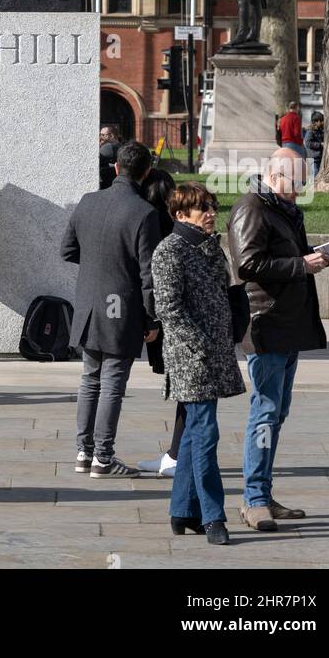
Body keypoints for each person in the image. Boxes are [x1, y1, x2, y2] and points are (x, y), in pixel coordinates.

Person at [228, 147, 329, 532]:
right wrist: (300, 265)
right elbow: (246, 264)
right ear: (274, 176)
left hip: (288, 325)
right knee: (265, 412)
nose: (299, 190)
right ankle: (253, 499)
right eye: (295, 183)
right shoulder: (252, 208)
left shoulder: (284, 209)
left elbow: (288, 259)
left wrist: (315, 258)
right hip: (266, 325)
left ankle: (263, 493)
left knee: (276, 414)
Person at [60, 139, 161, 478]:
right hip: (122, 305)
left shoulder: (88, 201)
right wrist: (152, 316)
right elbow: (148, 272)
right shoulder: (144, 213)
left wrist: (97, 264)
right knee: (112, 382)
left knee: (90, 378)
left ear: (117, 167)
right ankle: (103, 457)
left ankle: (83, 453)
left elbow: (67, 250)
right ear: (146, 173)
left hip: (89, 301)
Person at [152, 182, 246, 546]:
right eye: (200, 208)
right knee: (206, 435)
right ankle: (213, 517)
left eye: (210, 206)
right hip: (191, 358)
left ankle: (181, 511)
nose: (209, 213)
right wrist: (200, 346)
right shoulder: (170, 249)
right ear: (180, 215)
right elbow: (169, 309)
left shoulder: (209, 247)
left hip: (213, 353)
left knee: (194, 434)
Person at [136, 167, 184, 478]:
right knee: (183, 389)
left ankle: (177, 456)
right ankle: (176, 453)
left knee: (184, 389)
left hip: (167, 321)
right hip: (170, 321)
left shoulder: (150, 228)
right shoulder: (173, 229)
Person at [99, 125, 121, 190]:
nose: (100, 137)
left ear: (111, 136)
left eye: (103, 135)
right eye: (100, 134)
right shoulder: (120, 146)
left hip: (106, 187)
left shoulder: (108, 147)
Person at [304, 112, 324, 177]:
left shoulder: (320, 130)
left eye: (322, 120)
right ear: (315, 122)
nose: (321, 122)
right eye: (320, 121)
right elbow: (308, 143)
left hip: (318, 158)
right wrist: (320, 144)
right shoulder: (310, 131)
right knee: (313, 176)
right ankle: (310, 187)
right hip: (312, 158)